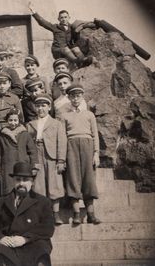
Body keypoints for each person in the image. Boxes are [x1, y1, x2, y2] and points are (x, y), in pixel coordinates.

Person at [0, 162, 55, 266]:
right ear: (13, 181)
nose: (21, 183)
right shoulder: (1, 202)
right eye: (18, 179)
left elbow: (48, 227)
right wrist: (1, 238)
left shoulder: (43, 202)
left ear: (32, 182)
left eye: (25, 180)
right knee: (1, 254)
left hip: (34, 242)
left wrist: (25, 239)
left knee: (41, 254)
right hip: (9, 242)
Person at [62, 84, 101, 225]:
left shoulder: (89, 115)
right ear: (69, 97)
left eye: (78, 95)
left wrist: (96, 153)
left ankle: (91, 214)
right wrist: (63, 157)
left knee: (88, 179)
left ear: (82, 97)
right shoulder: (64, 116)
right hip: (71, 146)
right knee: (73, 178)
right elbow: (62, 137)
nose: (75, 98)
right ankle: (76, 214)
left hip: (87, 145)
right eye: (73, 96)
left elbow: (95, 135)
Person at [27, 94, 67, 225]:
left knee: (54, 184)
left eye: (43, 106)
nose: (40, 109)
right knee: (38, 186)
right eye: (38, 106)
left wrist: (61, 160)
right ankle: (42, 215)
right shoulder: (31, 124)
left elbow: (61, 142)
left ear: (49, 107)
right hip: (36, 153)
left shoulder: (56, 123)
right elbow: (27, 144)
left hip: (52, 156)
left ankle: (56, 214)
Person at [28, 2, 92, 67]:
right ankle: (77, 61)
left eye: (65, 17)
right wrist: (34, 12)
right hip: (57, 50)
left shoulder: (72, 27)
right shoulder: (55, 27)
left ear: (69, 18)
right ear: (58, 19)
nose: (63, 19)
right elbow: (43, 23)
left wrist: (78, 32)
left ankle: (83, 61)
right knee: (65, 49)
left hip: (68, 50)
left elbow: (76, 38)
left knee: (76, 48)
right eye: (61, 18)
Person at [0, 108, 38, 195]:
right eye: (10, 120)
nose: (13, 123)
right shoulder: (2, 136)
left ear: (19, 121)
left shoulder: (25, 134)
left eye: (15, 120)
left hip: (23, 166)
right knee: (8, 188)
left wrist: (34, 166)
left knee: (22, 187)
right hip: (7, 166)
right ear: (7, 121)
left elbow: (32, 151)